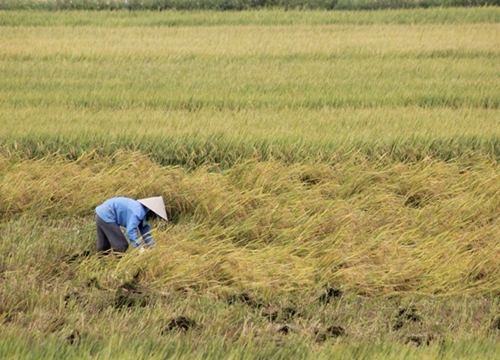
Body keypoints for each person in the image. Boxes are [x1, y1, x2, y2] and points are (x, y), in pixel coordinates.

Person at [95, 196, 168, 254]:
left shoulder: (144, 216)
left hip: (100, 215)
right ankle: (121, 269)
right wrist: (140, 248)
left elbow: (146, 234)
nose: (154, 218)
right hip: (107, 215)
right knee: (121, 246)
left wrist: (153, 249)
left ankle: (99, 268)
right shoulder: (138, 211)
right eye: (155, 215)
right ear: (151, 211)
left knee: (103, 248)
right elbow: (130, 231)